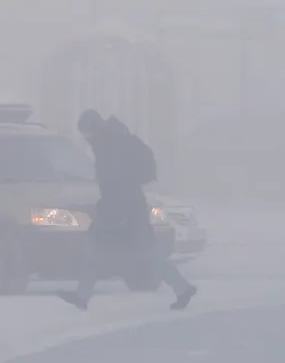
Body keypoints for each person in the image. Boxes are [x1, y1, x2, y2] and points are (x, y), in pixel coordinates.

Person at [58, 109, 196, 311]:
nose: (85, 138)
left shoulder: (110, 145)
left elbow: (118, 181)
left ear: (93, 128)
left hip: (123, 209)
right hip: (125, 207)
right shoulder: (109, 141)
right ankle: (82, 295)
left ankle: (182, 287)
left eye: (86, 133)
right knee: (130, 251)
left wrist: (119, 213)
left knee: (134, 251)